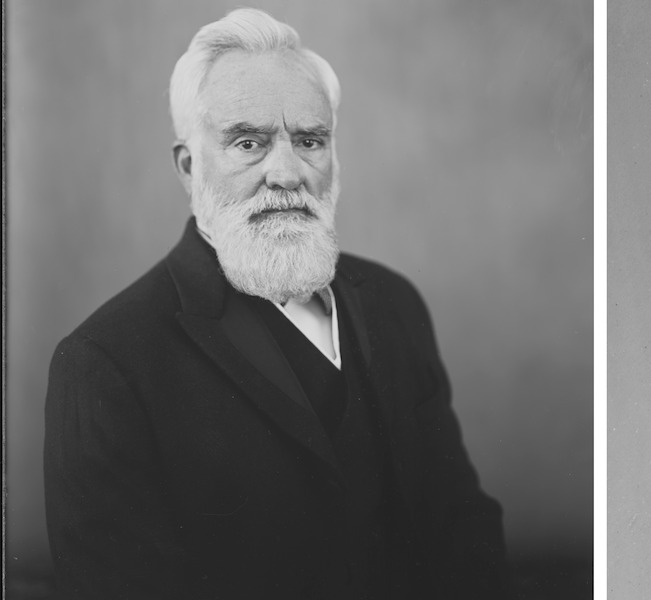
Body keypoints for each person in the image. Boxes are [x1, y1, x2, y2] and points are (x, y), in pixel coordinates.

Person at [43, 8, 509, 599]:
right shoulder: (105, 364)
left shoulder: (394, 304)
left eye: (309, 141)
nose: (286, 173)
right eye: (248, 142)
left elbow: (463, 533)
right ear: (190, 168)